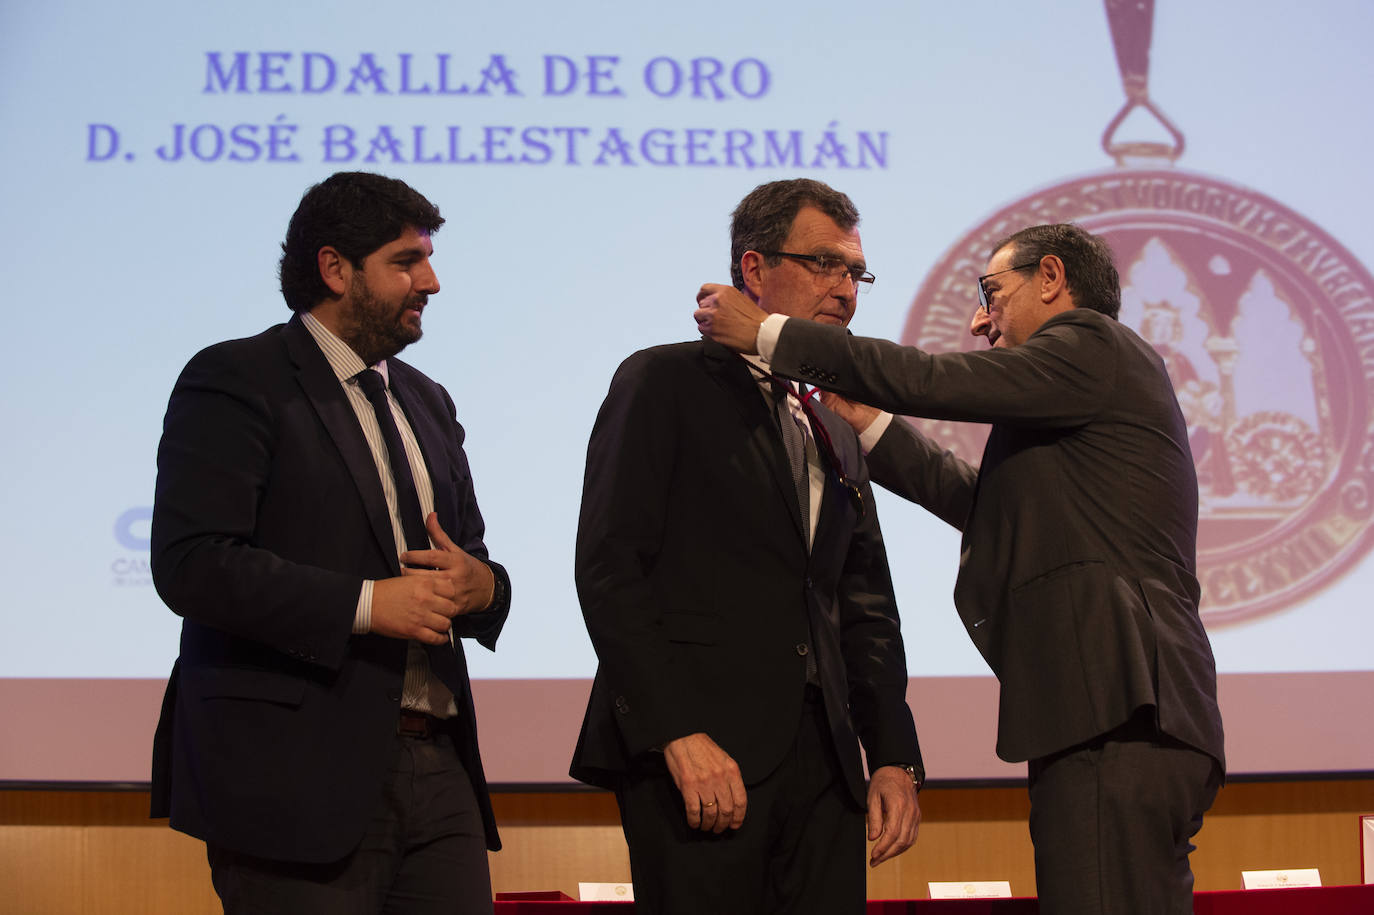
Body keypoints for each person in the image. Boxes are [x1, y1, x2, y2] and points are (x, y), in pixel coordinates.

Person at [695, 223, 1225, 914]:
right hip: (1130, 712)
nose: (980, 319)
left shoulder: (1090, 344)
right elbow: (988, 506)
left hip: (1116, 707)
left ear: (1052, 279)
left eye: (991, 293)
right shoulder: (1092, 392)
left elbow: (934, 378)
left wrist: (770, 333)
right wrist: (872, 429)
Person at [150, 171, 510, 915]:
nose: (432, 281)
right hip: (294, 773)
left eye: (429, 260)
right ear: (335, 268)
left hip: (439, 765)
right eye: (406, 261)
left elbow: (469, 552)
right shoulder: (238, 378)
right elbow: (193, 562)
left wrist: (485, 587)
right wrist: (369, 604)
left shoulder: (428, 400)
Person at [571, 178, 923, 915]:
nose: (846, 290)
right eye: (825, 264)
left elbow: (865, 602)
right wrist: (675, 731)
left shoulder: (833, 419)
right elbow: (610, 570)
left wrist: (891, 752)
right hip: (702, 756)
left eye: (856, 272)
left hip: (825, 766)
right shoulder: (661, 381)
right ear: (754, 269)